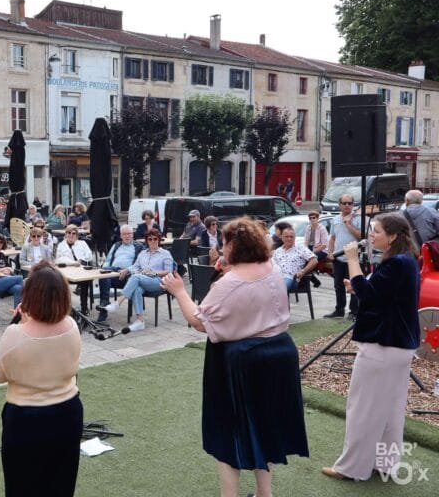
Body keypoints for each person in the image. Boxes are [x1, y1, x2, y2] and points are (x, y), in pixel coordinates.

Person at [161, 217, 309, 497]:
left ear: (235, 247)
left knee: (229, 433)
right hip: (279, 354)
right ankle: (265, 493)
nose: (220, 246)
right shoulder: (271, 267)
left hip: (244, 361)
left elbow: (199, 320)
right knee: (264, 425)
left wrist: (179, 291)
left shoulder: (230, 283)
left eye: (225, 242)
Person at [0, 261, 82, 497]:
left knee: (22, 485)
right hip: (68, 412)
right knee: (61, 482)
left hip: (26, 420)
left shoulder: (15, 334)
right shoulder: (71, 326)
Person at [322, 213, 420, 481]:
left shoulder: (397, 263)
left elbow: (368, 293)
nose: (371, 235)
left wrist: (352, 261)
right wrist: (359, 285)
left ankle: (350, 468)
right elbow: (379, 293)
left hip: (383, 345)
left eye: (376, 231)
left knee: (363, 408)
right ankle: (385, 464)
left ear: (393, 236)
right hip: (398, 345)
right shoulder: (405, 261)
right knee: (390, 410)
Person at [97, 229, 174, 333]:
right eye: (150, 239)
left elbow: (169, 271)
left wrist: (153, 272)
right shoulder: (143, 253)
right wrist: (127, 269)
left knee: (136, 277)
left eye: (155, 239)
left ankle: (117, 304)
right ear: (147, 240)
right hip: (143, 279)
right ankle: (140, 321)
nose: (152, 241)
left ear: (159, 240)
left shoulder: (165, 253)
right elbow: (135, 266)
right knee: (137, 288)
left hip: (158, 281)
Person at [96, 225, 143, 323]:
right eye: (124, 234)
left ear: (132, 235)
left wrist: (128, 270)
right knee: (104, 274)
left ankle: (104, 307)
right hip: (113, 272)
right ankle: (104, 304)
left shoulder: (139, 247)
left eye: (129, 234)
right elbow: (108, 260)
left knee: (105, 274)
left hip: (127, 276)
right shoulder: (116, 245)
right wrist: (104, 268)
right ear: (121, 235)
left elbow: (140, 265)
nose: (127, 236)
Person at [325, 193, 361, 319]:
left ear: (353, 205)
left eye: (349, 203)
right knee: (338, 285)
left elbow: (361, 237)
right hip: (338, 257)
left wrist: (349, 225)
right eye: (344, 203)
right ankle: (339, 309)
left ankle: (354, 312)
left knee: (354, 285)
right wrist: (330, 252)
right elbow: (332, 238)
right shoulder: (335, 219)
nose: (347, 206)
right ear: (339, 205)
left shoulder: (358, 218)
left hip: (353, 258)